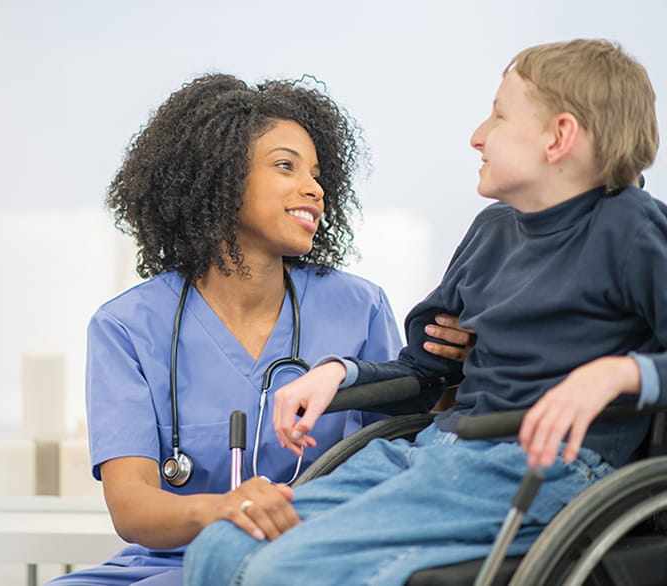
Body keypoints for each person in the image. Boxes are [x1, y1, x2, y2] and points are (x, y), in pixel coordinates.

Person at [182, 39, 663, 585]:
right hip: (439, 451)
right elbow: (426, 370)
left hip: (536, 468)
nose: (477, 136)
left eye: (500, 116)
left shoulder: (631, 229)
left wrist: (625, 372)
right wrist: (340, 372)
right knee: (221, 544)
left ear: (559, 137)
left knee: (288, 570)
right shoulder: (492, 231)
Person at [50, 74, 476, 586]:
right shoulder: (126, 327)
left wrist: (462, 370)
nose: (314, 188)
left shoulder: (357, 306)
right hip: (169, 564)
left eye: (317, 174)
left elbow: (404, 446)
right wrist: (225, 509)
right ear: (220, 179)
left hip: (307, 560)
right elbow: (132, 508)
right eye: (285, 166)